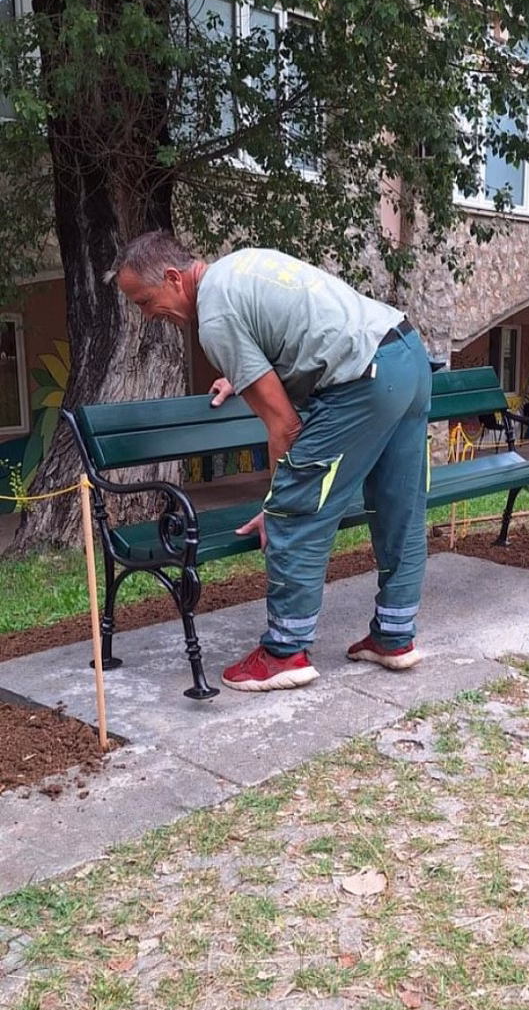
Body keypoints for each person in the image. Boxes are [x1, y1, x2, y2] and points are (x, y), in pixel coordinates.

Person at [110, 233, 432, 691]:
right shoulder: (238, 266)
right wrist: (241, 377)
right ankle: (395, 636)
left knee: (292, 511)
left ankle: (286, 651)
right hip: (407, 356)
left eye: (144, 300)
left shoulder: (214, 318)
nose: (146, 315)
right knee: (400, 504)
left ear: (173, 278)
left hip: (365, 378)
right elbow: (293, 331)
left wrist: (277, 499)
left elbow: (284, 427)